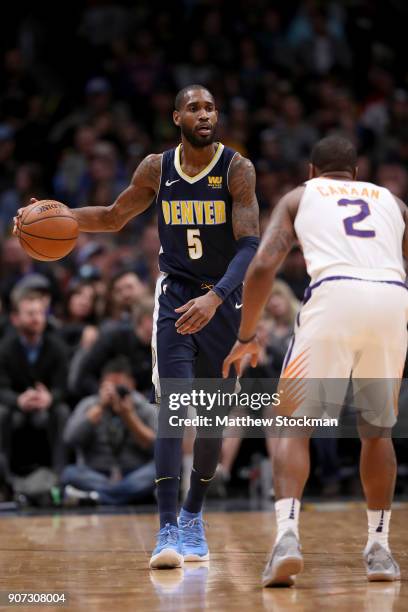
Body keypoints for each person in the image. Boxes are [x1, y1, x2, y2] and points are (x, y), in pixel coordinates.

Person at [14, 84, 260, 569]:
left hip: (222, 301)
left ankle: (193, 516)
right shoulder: (157, 167)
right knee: (173, 406)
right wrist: (49, 218)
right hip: (175, 300)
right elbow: (110, 217)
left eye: (210, 107)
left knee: (210, 421)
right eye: (194, 107)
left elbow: (249, 247)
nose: (204, 114)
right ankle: (167, 528)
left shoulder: (237, 169)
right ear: (176, 117)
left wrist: (216, 298)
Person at [223, 135, 407, 587]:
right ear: (357, 174)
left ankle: (287, 537)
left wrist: (246, 335)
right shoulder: (394, 203)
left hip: (335, 293)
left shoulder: (300, 197)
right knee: (377, 431)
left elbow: (264, 267)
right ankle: (379, 549)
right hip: (392, 298)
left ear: (312, 171)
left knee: (289, 422)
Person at [62, 357, 156, 505]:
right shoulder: (89, 405)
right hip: (97, 473)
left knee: (161, 470)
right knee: (70, 473)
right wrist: (98, 409)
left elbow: (158, 447)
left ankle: (97, 497)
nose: (115, 392)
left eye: (120, 387)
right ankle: (125, 495)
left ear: (132, 384)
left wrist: (129, 417)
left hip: (133, 472)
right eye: (110, 387)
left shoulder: (144, 407)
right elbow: (70, 439)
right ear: (101, 386)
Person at [0, 290, 69, 475]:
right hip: (16, 407)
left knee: (62, 412)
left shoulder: (57, 347)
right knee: (2, 412)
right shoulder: (5, 348)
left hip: (46, 406)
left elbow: (63, 387)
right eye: (30, 314)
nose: (36, 318)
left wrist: (49, 397)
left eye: (40, 313)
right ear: (15, 318)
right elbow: (2, 387)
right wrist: (18, 400)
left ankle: (59, 475)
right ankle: (5, 478)